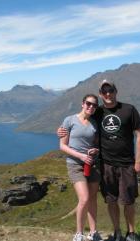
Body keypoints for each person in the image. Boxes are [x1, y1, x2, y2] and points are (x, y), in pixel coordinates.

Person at [59, 80, 140, 241]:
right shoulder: (97, 112)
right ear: (100, 94)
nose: (108, 94)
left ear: (115, 91)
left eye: (110, 90)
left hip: (126, 163)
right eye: (104, 91)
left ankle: (131, 233)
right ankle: (117, 232)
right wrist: (61, 130)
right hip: (105, 164)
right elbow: (77, 126)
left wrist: (138, 161)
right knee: (110, 200)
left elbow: (139, 134)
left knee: (128, 200)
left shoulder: (128, 109)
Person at [59, 94, 103, 241]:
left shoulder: (94, 123)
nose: (91, 107)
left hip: (93, 164)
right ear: (82, 103)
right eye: (89, 103)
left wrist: (95, 150)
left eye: (94, 105)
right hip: (75, 165)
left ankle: (93, 232)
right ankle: (78, 233)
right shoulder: (69, 120)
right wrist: (81, 156)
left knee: (92, 199)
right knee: (84, 199)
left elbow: (96, 144)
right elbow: (62, 146)